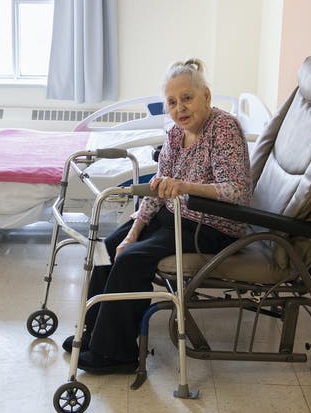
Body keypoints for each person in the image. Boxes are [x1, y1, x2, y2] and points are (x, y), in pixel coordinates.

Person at [63, 58, 253, 374]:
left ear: (205, 96)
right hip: (176, 216)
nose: (180, 108)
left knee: (131, 260)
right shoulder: (175, 136)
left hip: (211, 226)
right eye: (172, 102)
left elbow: (237, 191)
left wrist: (184, 186)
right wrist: (132, 233)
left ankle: (115, 354)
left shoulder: (223, 128)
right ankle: (93, 334)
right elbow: (158, 190)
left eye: (187, 98)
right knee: (110, 247)